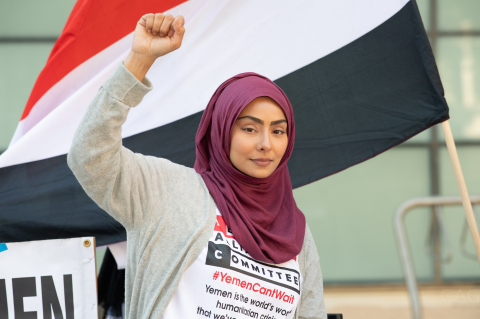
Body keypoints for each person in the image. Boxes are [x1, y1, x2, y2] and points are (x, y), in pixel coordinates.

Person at [68, 12, 327, 319]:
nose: (266, 144)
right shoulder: (166, 190)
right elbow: (89, 155)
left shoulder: (294, 230)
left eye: (278, 131)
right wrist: (139, 60)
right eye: (249, 128)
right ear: (221, 132)